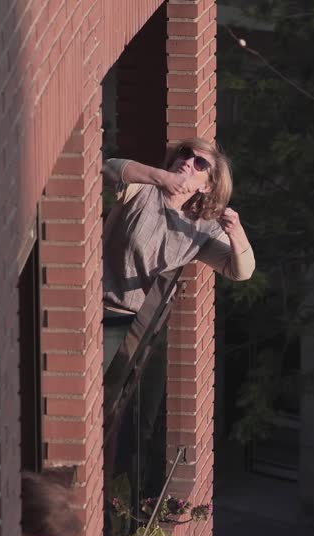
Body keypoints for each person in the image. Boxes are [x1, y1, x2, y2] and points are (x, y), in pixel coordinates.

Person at [102, 138, 256, 368]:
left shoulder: (203, 228)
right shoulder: (143, 189)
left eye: (200, 163)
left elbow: (242, 272)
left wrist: (236, 231)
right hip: (102, 309)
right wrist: (162, 177)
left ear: (207, 187)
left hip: (142, 328)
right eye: (185, 153)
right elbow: (107, 168)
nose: (188, 162)